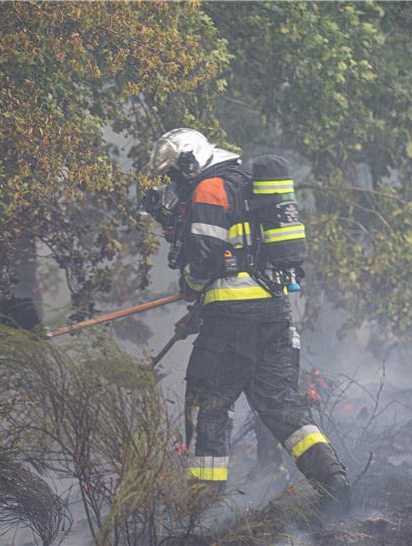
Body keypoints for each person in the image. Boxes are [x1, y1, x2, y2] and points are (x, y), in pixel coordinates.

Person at [146, 128, 350, 511]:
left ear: (191, 162)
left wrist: (190, 284)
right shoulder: (248, 187)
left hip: (234, 319)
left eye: (174, 173)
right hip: (274, 313)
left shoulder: (210, 188)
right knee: (280, 406)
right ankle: (333, 481)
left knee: (208, 402)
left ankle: (202, 505)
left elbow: (204, 260)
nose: (174, 181)